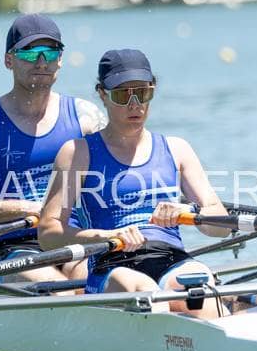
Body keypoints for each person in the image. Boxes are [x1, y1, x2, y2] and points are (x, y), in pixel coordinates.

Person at [37, 49, 231, 317]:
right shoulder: (77, 153)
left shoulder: (177, 149)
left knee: (203, 291)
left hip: (170, 258)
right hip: (112, 263)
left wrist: (190, 212)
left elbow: (222, 225)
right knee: (147, 294)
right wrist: (108, 236)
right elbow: (48, 234)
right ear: (102, 94)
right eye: (122, 95)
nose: (134, 104)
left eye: (143, 93)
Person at [0, 14, 106, 281]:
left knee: (88, 280)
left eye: (50, 53)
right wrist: (28, 209)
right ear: (9, 60)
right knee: (58, 288)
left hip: (73, 238)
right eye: (30, 53)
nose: (42, 62)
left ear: (60, 59)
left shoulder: (86, 117)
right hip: (13, 246)